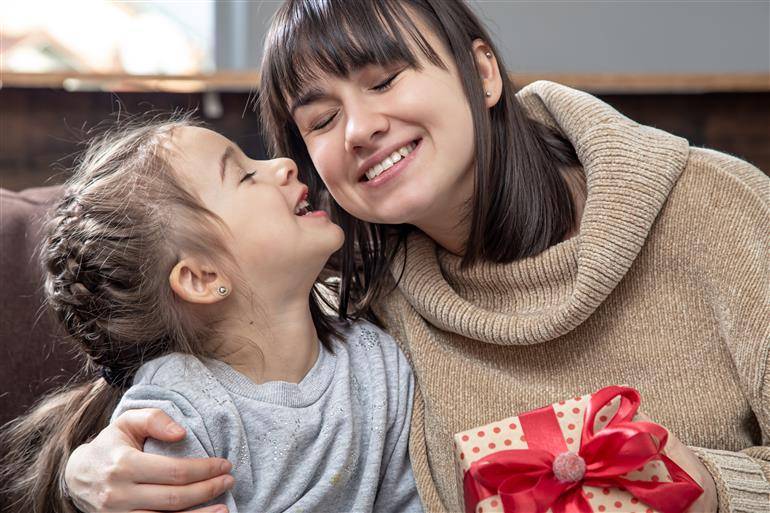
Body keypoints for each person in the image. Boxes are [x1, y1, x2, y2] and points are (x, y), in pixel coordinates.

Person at [62, 0, 770, 512]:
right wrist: (84, 474)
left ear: (482, 74)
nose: (362, 129)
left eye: (384, 80)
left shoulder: (714, 207)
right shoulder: (357, 307)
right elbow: (200, 367)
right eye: (322, 119)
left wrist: (713, 488)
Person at [0, 117, 422, 513]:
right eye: (243, 175)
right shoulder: (178, 416)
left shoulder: (379, 357)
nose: (284, 164)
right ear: (202, 278)